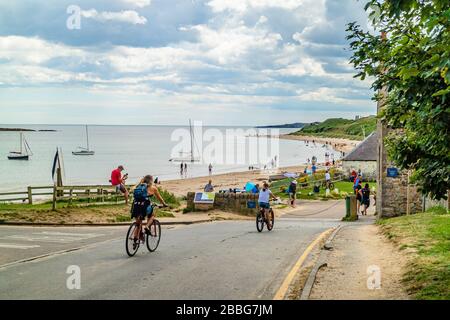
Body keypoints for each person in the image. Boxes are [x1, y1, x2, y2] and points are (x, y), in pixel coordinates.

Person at [131, 175, 168, 246]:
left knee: (138, 223)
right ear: (151, 181)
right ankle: (147, 226)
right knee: (152, 215)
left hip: (136, 205)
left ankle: (135, 239)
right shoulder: (153, 188)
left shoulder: (138, 186)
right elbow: (160, 198)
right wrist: (164, 204)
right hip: (145, 205)